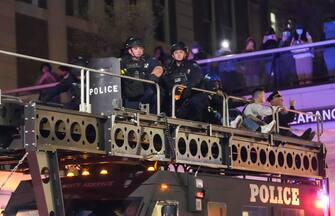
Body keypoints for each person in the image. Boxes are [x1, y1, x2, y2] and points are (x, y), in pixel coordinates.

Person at [162, 41, 206, 121]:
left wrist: (184, 89)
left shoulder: (193, 66)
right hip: (175, 97)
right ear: (173, 55)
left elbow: (196, 80)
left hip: (191, 95)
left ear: (185, 54)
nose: (178, 54)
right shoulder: (169, 70)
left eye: (181, 52)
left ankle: (197, 124)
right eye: (176, 52)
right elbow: (166, 82)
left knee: (195, 101)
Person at [120, 37, 163, 113]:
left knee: (155, 92)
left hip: (144, 97)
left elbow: (159, 68)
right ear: (130, 50)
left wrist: (154, 75)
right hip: (130, 98)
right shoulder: (123, 62)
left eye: (141, 48)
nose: (139, 51)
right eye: (136, 48)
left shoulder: (148, 60)